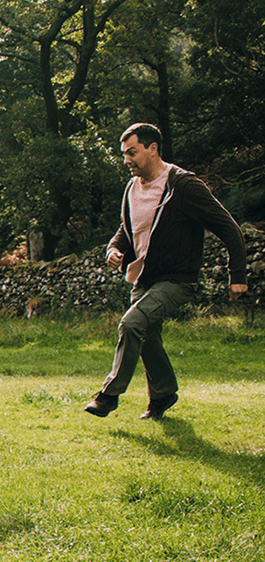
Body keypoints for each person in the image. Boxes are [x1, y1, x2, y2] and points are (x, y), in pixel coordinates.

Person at [85, 123, 247, 419]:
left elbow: (228, 227)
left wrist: (237, 275)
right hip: (142, 277)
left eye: (132, 153)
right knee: (147, 337)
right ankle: (163, 395)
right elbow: (127, 227)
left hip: (176, 279)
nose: (127, 160)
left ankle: (108, 396)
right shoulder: (132, 187)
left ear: (153, 148)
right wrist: (114, 248)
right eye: (124, 154)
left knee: (132, 324)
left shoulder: (183, 186)